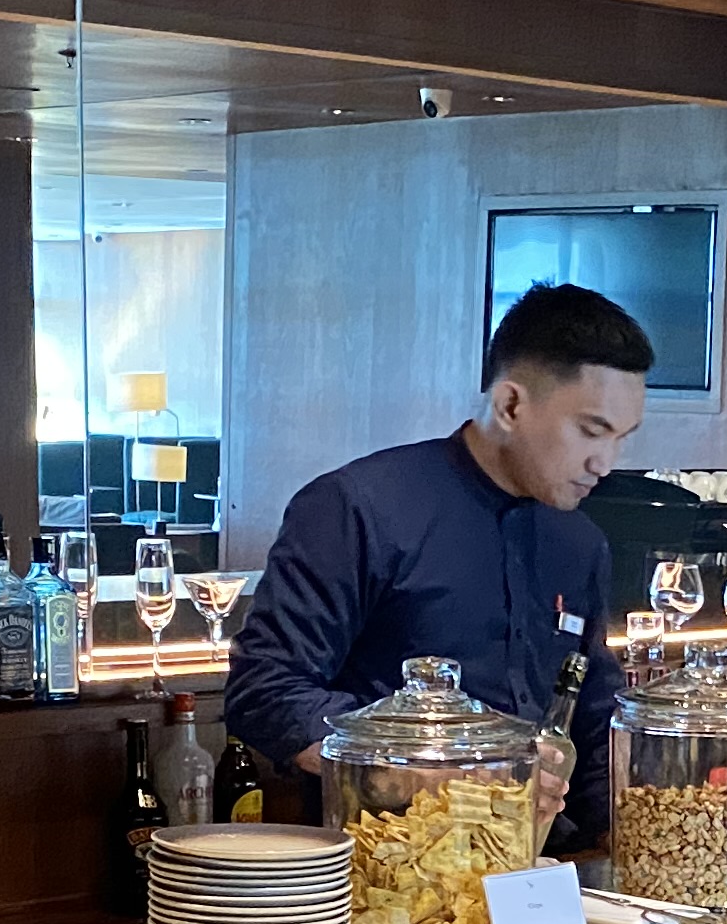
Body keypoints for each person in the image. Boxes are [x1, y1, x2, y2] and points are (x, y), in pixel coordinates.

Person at [224, 282, 646, 854]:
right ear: (511, 405)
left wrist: (636, 847)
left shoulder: (580, 542)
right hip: (383, 862)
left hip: (537, 868)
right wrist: (438, 770)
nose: (605, 462)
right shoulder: (360, 507)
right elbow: (265, 691)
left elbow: (595, 725)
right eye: (591, 431)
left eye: (621, 438)